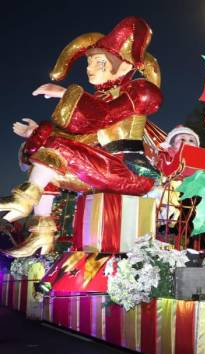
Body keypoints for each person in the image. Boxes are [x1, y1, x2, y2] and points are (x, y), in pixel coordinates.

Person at [1, 17, 162, 256]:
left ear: (124, 65)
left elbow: (104, 116)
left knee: (53, 148)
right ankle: (42, 232)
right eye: (89, 62)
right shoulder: (102, 98)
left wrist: (65, 93)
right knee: (48, 163)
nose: (89, 69)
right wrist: (35, 133)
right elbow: (79, 138)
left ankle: (23, 200)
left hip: (129, 172)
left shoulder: (140, 92)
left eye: (99, 62)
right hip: (107, 168)